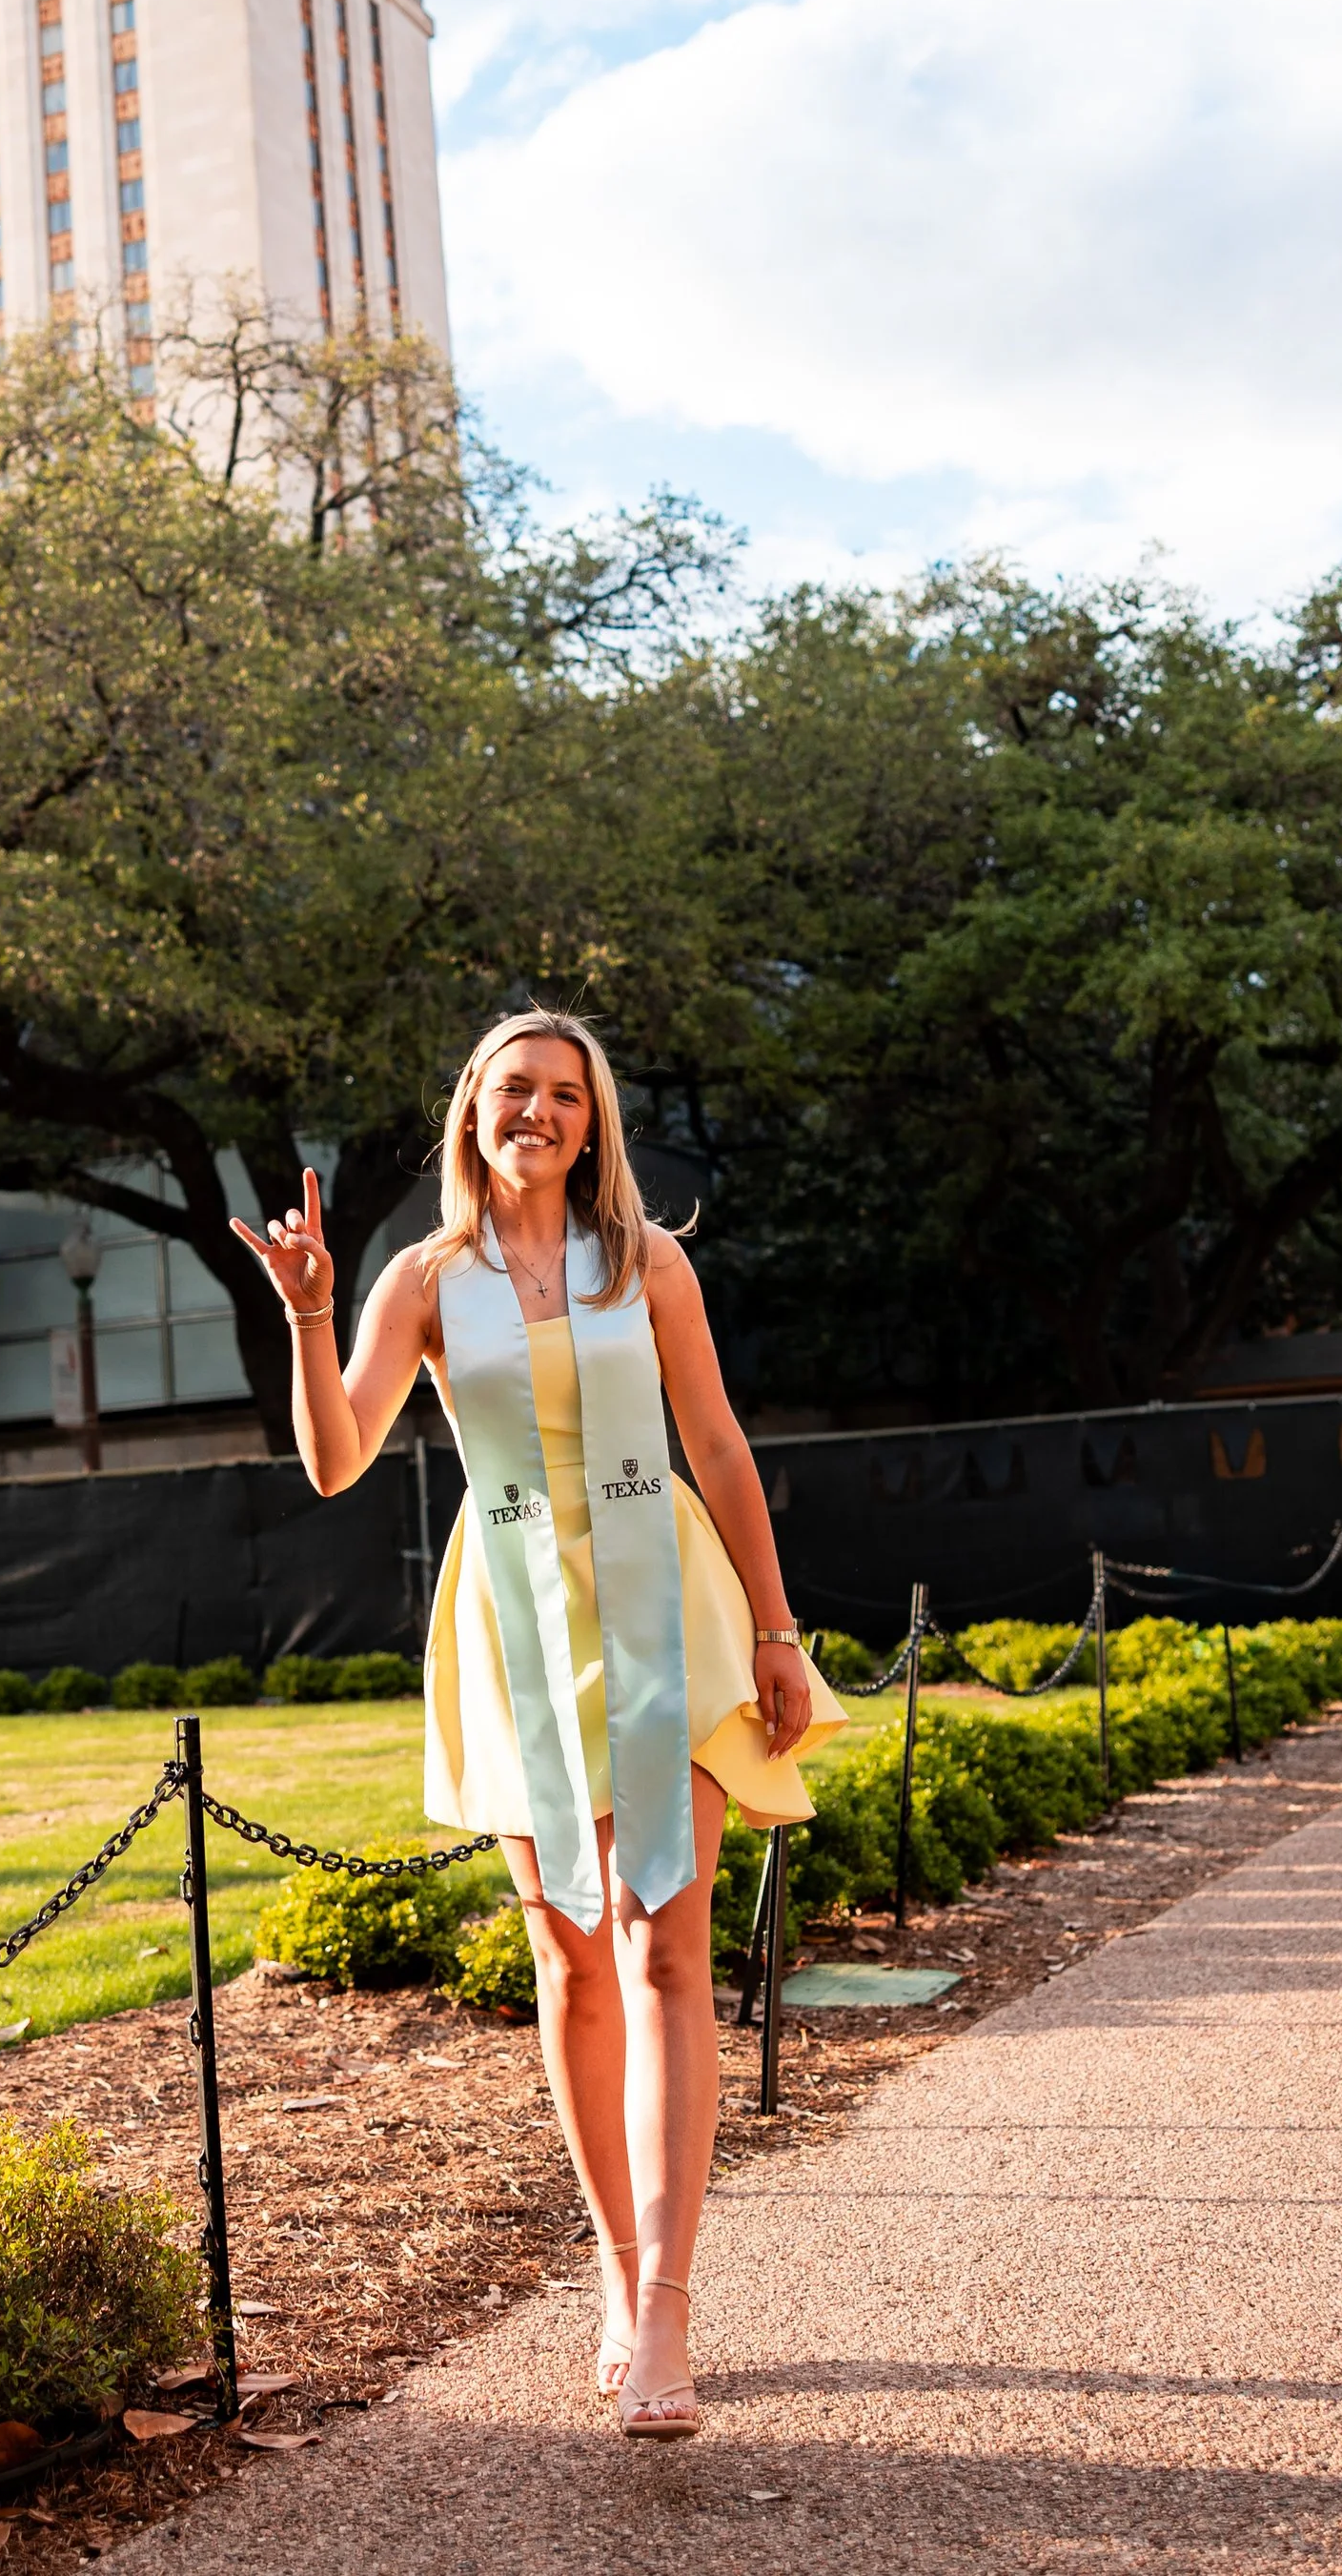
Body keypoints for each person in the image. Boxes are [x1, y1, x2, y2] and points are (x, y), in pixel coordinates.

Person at [232, 1006, 842, 2440]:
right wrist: (313, 1311)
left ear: (594, 1121)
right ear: (474, 1112)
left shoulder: (650, 1265)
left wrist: (774, 1626)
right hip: (517, 1626)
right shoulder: (426, 1281)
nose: (542, 1113)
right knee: (570, 1966)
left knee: (667, 1946)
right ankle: (619, 2283)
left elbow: (721, 1443)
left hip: (673, 1616)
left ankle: (672, 2318)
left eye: (567, 1095)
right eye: (518, 1090)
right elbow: (334, 1461)